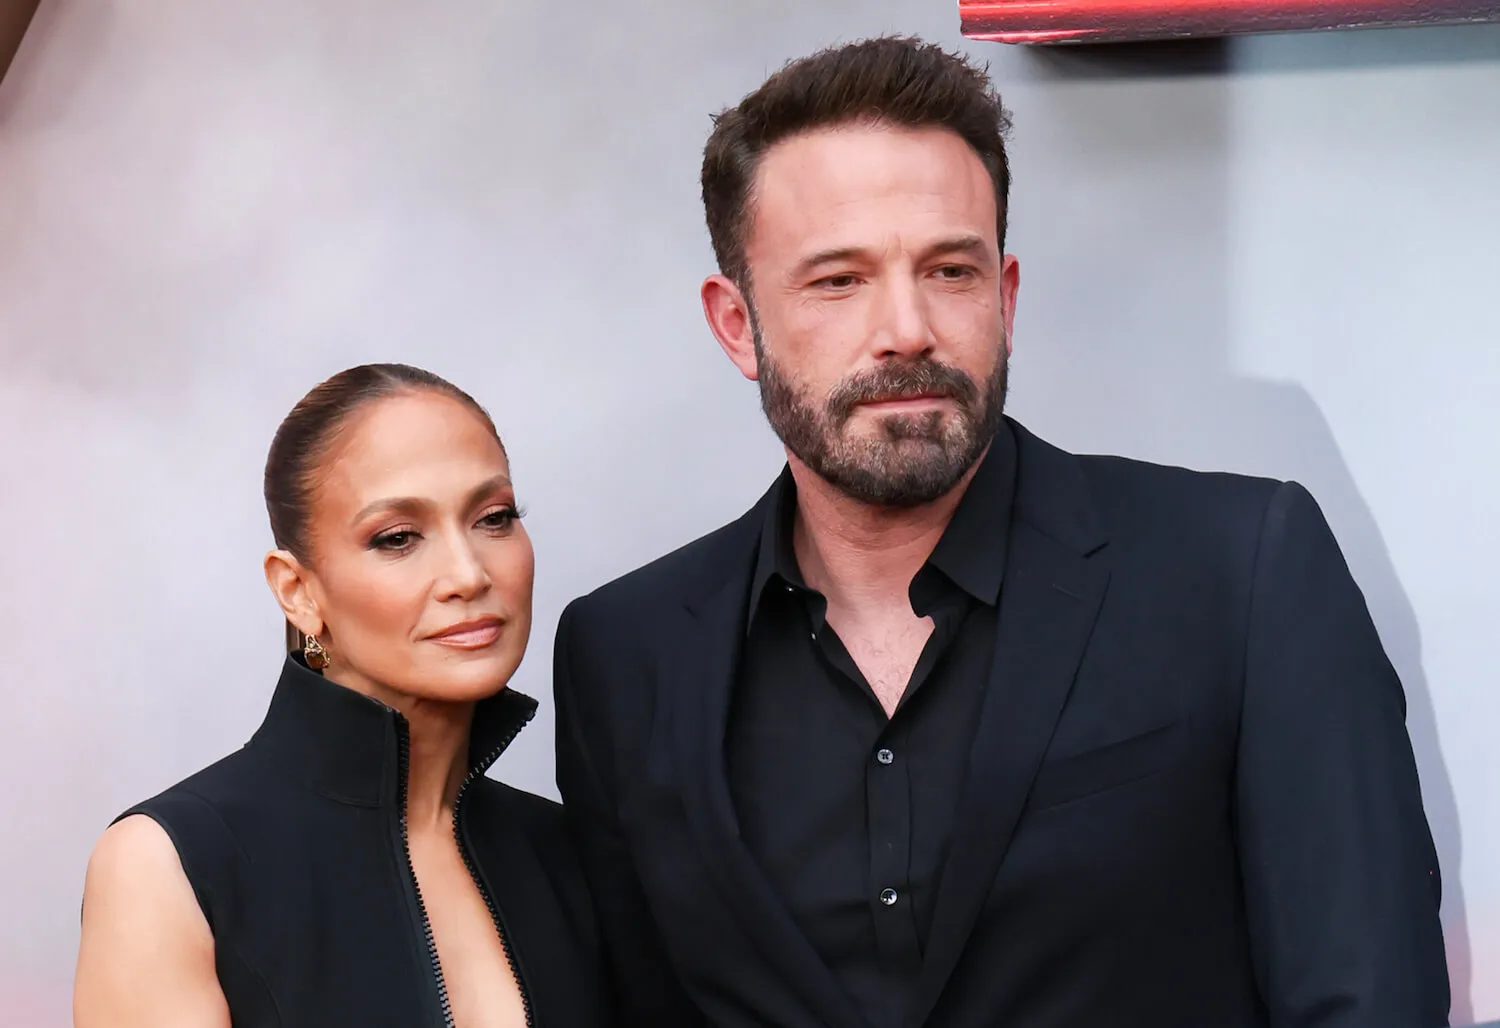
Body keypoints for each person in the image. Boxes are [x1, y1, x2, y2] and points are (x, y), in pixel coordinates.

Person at [552, 35, 1450, 1028]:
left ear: (1006, 297)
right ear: (737, 324)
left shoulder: (1239, 570)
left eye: (949, 270)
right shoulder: (623, 655)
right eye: (838, 280)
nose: (907, 328)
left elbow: (1368, 997)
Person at [75, 364, 615, 1028]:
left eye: (494, 517)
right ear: (298, 591)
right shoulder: (168, 866)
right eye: (397, 538)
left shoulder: (568, 851)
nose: (468, 574)